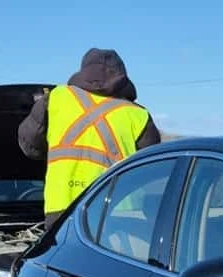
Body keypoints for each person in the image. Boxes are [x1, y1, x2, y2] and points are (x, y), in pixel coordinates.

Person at [18, 48, 161, 226]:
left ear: (83, 71)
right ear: (122, 76)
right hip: (119, 212)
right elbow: (153, 170)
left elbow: (30, 147)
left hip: (63, 207)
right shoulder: (137, 114)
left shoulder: (56, 98)